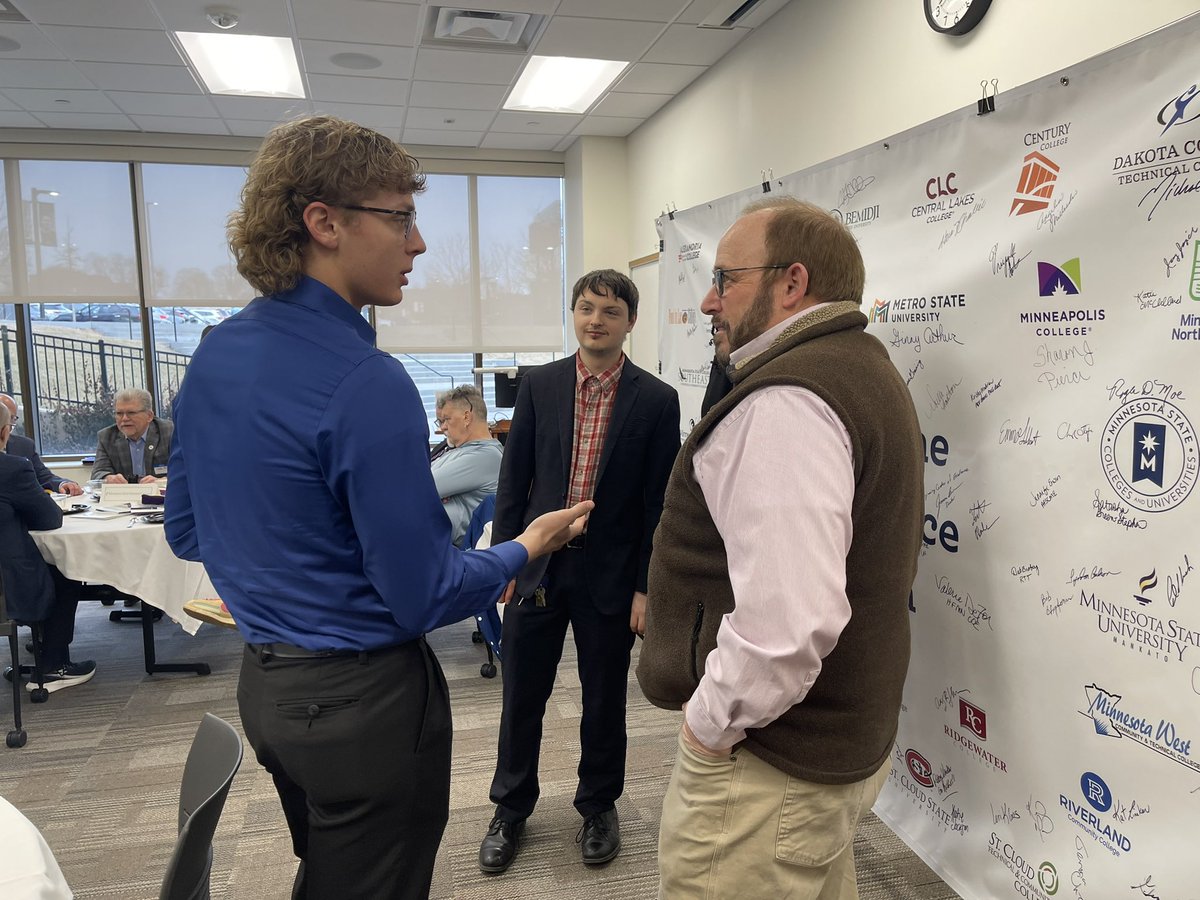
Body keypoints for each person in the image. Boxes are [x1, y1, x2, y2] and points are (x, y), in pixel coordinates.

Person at [164, 114, 590, 900]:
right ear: (323, 222)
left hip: (265, 695)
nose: (419, 244)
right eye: (401, 218)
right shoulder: (367, 381)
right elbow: (423, 591)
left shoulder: (218, 350)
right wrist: (527, 546)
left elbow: (187, 528)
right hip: (364, 709)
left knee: (332, 873)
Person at [637, 198, 924, 899]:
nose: (709, 300)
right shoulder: (857, 365)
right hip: (821, 757)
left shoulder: (786, 402)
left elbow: (787, 624)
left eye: (726, 279)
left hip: (767, 768)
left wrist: (708, 728)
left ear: (792, 283)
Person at [479, 269, 680, 875]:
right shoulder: (540, 386)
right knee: (523, 695)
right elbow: (513, 484)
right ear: (574, 314)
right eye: (586, 308)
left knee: (602, 699)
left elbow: (657, 505)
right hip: (537, 567)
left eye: (610, 311)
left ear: (629, 323)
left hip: (611, 575)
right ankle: (510, 808)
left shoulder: (655, 399)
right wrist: (503, 561)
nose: (596, 320)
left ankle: (598, 805)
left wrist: (646, 586)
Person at [0, 404, 96, 693]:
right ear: (5, 432)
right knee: (65, 572)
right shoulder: (11, 468)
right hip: (8, 584)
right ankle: (54, 666)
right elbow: (49, 517)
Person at [430, 384, 503, 547]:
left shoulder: (487, 456)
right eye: (440, 421)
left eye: (447, 419)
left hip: (450, 550)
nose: (442, 427)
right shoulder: (457, 451)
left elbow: (422, 488)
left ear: (466, 417)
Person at [0, 393, 82, 495]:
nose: (9, 424)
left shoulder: (24, 446)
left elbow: (42, 476)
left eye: (12, 418)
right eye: (5, 416)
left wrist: (62, 484)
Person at [91, 388, 172, 484]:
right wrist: (108, 478)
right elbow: (97, 474)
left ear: (149, 416)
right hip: (123, 497)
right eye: (119, 413)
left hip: (160, 496)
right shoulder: (107, 437)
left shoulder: (169, 432)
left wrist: (162, 481)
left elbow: (187, 469)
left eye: (131, 413)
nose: (124, 419)